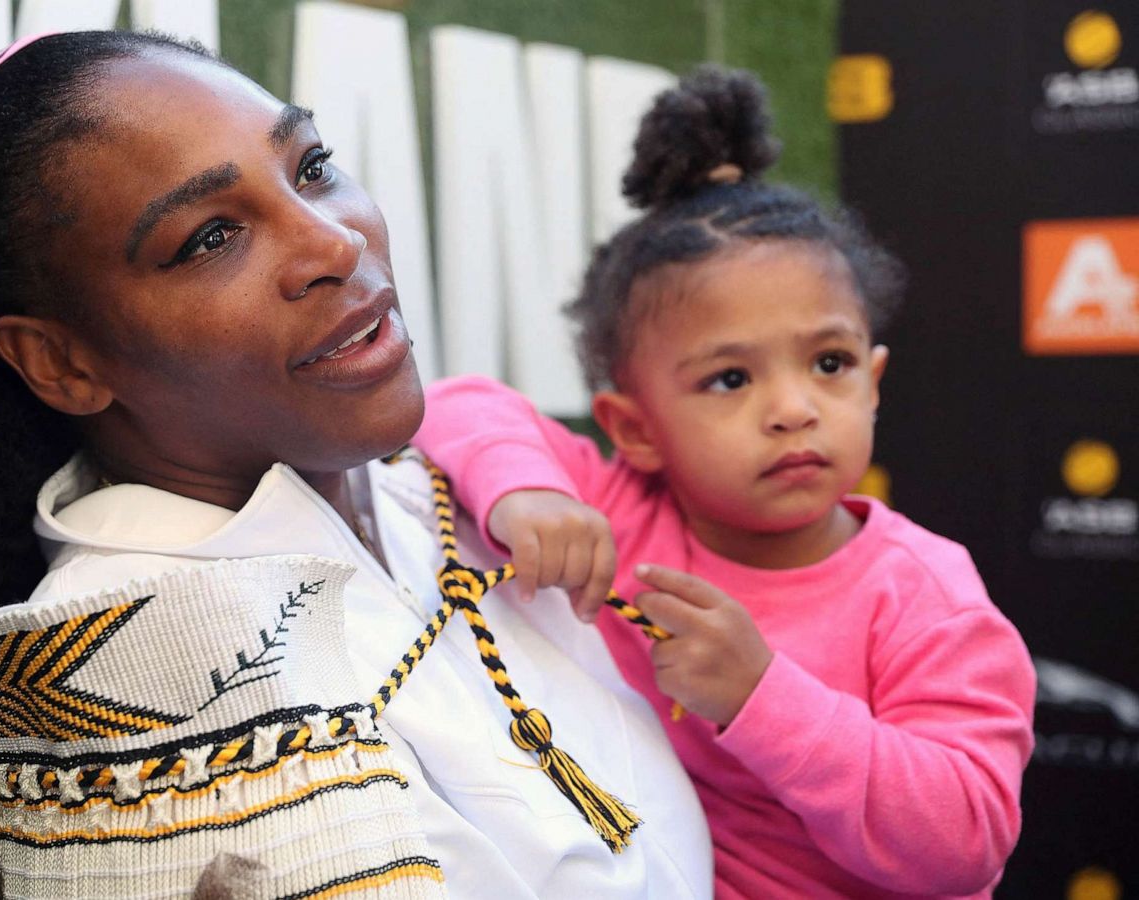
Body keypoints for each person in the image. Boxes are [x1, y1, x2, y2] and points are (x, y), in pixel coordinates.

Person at [0, 30, 711, 899]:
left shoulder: (445, 494)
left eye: (311, 166)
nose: (330, 243)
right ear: (62, 360)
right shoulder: (135, 690)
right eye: (210, 236)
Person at [414, 66, 1035, 899]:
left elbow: (966, 839)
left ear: (874, 379)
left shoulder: (924, 593)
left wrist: (762, 697)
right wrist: (528, 489)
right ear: (635, 428)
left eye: (829, 363)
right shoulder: (619, 516)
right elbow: (456, 404)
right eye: (730, 380)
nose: (792, 409)